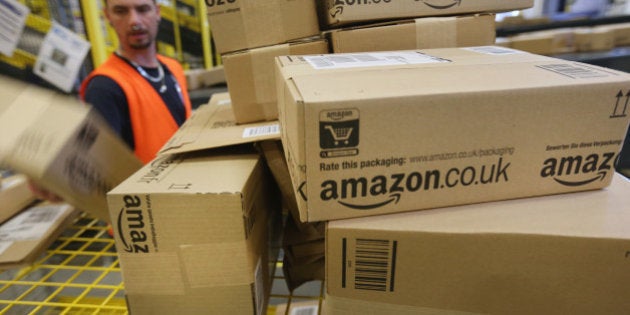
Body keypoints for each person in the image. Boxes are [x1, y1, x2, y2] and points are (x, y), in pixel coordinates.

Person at [80, 0, 192, 164]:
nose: (134, 21)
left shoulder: (173, 68)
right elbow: (96, 166)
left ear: (157, 12)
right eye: (121, 11)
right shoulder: (104, 87)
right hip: (148, 188)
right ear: (108, 16)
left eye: (143, 9)